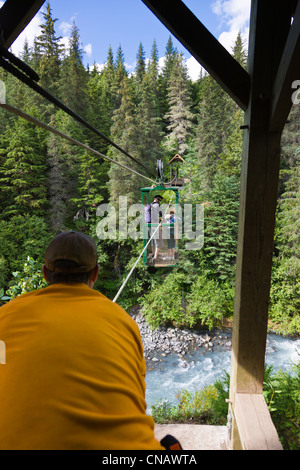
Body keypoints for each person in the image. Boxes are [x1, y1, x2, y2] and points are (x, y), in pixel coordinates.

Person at [0, 231, 165, 450]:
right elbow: (136, 397)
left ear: (45, 274)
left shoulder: (6, 316)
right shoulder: (124, 322)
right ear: (95, 273)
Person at [148, 195, 163, 261]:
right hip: (155, 225)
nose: (159, 201)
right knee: (158, 241)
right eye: (158, 199)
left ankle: (154, 254)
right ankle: (155, 257)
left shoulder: (149, 205)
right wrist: (162, 220)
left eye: (160, 200)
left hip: (149, 225)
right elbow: (162, 215)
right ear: (155, 199)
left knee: (153, 240)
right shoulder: (157, 205)